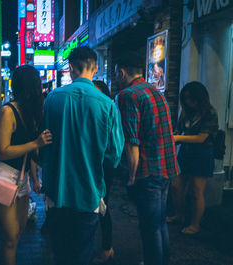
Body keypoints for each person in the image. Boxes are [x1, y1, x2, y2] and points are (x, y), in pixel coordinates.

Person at [41, 47, 124, 265]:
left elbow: (44, 143)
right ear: (95, 68)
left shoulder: (52, 98)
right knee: (82, 254)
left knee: (60, 253)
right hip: (89, 193)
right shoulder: (108, 105)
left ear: (70, 69)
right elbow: (114, 156)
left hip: (57, 191)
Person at [115, 52, 179, 265]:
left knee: (149, 227)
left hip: (148, 171)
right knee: (159, 224)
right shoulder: (157, 92)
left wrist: (131, 176)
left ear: (122, 72)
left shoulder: (127, 96)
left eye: (116, 73)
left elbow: (132, 142)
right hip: (166, 167)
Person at [0, 65, 52, 265]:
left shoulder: (32, 112)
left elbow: (31, 154)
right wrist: (36, 143)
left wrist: (35, 178)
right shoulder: (7, 112)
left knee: (17, 234)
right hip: (1, 177)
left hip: (22, 178)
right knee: (10, 238)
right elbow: (3, 151)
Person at [168, 81, 218, 235]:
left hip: (202, 155)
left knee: (196, 191)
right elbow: (178, 130)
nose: (188, 102)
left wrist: (177, 138)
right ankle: (179, 215)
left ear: (200, 98)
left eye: (191, 98)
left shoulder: (210, 112)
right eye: (186, 98)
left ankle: (195, 225)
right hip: (186, 154)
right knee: (176, 186)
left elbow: (201, 138)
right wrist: (174, 135)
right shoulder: (186, 112)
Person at [92, 80, 115, 264]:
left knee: (103, 207)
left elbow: (115, 147)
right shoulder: (94, 112)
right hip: (92, 166)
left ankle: (107, 247)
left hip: (104, 168)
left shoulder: (109, 111)